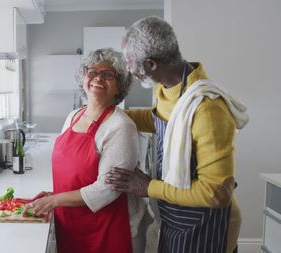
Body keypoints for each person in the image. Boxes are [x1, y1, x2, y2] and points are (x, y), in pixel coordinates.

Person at [105, 16, 248, 253]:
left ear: (151, 65)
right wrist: (106, 115)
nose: (128, 69)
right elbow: (159, 119)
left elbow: (215, 193)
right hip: (177, 216)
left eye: (130, 62)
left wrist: (149, 187)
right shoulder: (168, 87)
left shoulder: (207, 109)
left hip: (208, 225)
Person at [26, 48, 142, 253]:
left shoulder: (120, 126)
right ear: (83, 78)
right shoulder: (73, 116)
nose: (98, 78)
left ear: (119, 86)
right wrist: (55, 194)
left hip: (102, 228)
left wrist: (55, 200)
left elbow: (107, 190)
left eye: (108, 75)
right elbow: (72, 172)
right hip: (70, 221)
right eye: (92, 72)